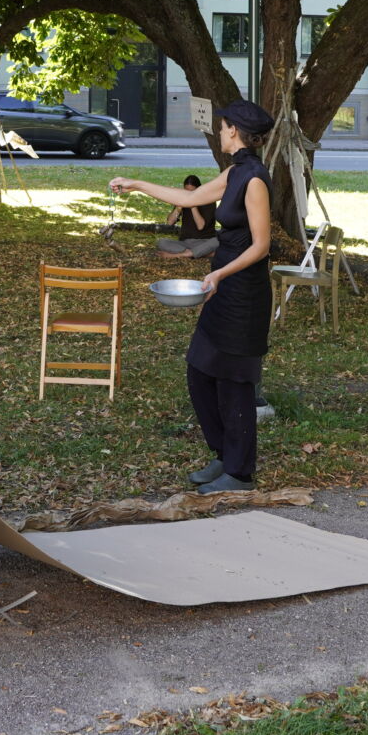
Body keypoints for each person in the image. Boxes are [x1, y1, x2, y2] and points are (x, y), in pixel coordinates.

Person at [111, 99, 274, 494]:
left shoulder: (253, 179)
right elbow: (187, 199)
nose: (219, 133)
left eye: (221, 128)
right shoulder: (234, 171)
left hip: (244, 293)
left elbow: (262, 246)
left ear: (234, 130)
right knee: (200, 370)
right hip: (222, 286)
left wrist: (218, 271)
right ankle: (223, 454)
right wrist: (136, 184)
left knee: (235, 381)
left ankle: (240, 473)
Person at [156, 174, 219, 259]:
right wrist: (178, 207)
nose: (188, 194)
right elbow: (170, 222)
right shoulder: (182, 200)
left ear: (199, 190)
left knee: (217, 241)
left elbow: (200, 226)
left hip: (205, 241)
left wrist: (193, 205)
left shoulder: (209, 201)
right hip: (186, 242)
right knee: (162, 242)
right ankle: (202, 253)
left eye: (192, 192)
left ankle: (183, 254)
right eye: (186, 191)